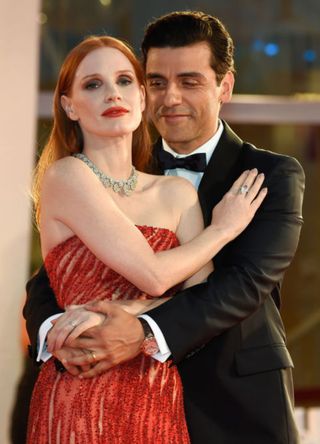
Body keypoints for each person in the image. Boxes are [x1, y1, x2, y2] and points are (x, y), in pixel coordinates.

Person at [23, 11, 305, 444]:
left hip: (235, 400)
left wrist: (138, 326)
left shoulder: (270, 173)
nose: (171, 97)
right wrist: (54, 331)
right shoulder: (112, 173)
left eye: (190, 82)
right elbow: (52, 278)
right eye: (157, 82)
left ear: (224, 86)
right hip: (97, 383)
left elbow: (244, 283)